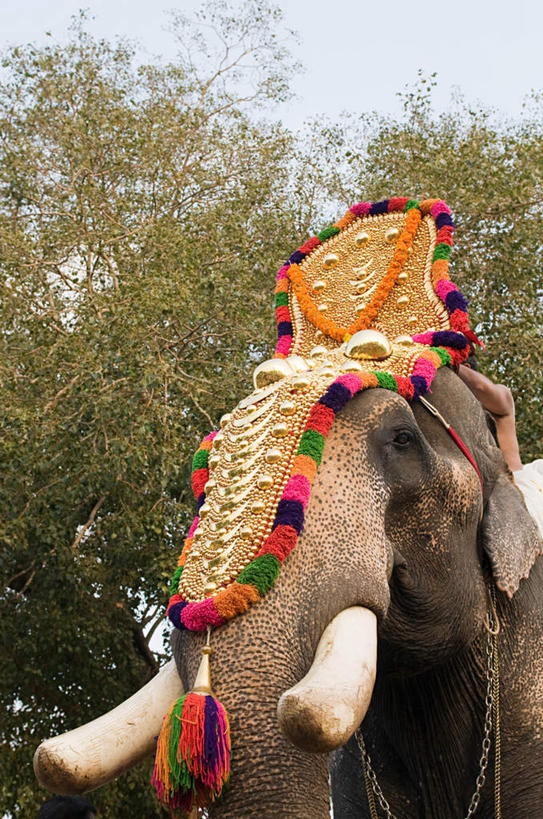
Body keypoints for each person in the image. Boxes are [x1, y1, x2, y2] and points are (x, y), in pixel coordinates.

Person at [458, 358, 543, 539]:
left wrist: (437, 358)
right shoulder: (451, 409)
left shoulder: (501, 395)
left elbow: (481, 387)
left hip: (517, 488)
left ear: (466, 368)